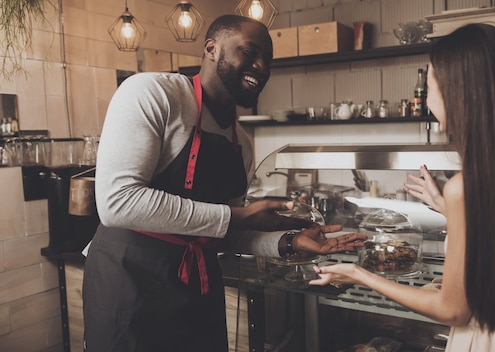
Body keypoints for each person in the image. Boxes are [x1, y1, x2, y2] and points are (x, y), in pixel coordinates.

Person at [82, 14, 366, 352]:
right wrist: (241, 216)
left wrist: (289, 242)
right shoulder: (152, 93)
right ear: (211, 48)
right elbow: (118, 203)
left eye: (268, 61)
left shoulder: (241, 141)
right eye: (250, 52)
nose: (261, 66)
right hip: (130, 281)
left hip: (198, 287)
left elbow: (223, 230)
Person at [310, 23, 495, 352]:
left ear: (459, 92)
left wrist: (359, 274)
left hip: (487, 342)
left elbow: (453, 310)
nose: (427, 97)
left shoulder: (465, 188)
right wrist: (448, 209)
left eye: (431, 84)